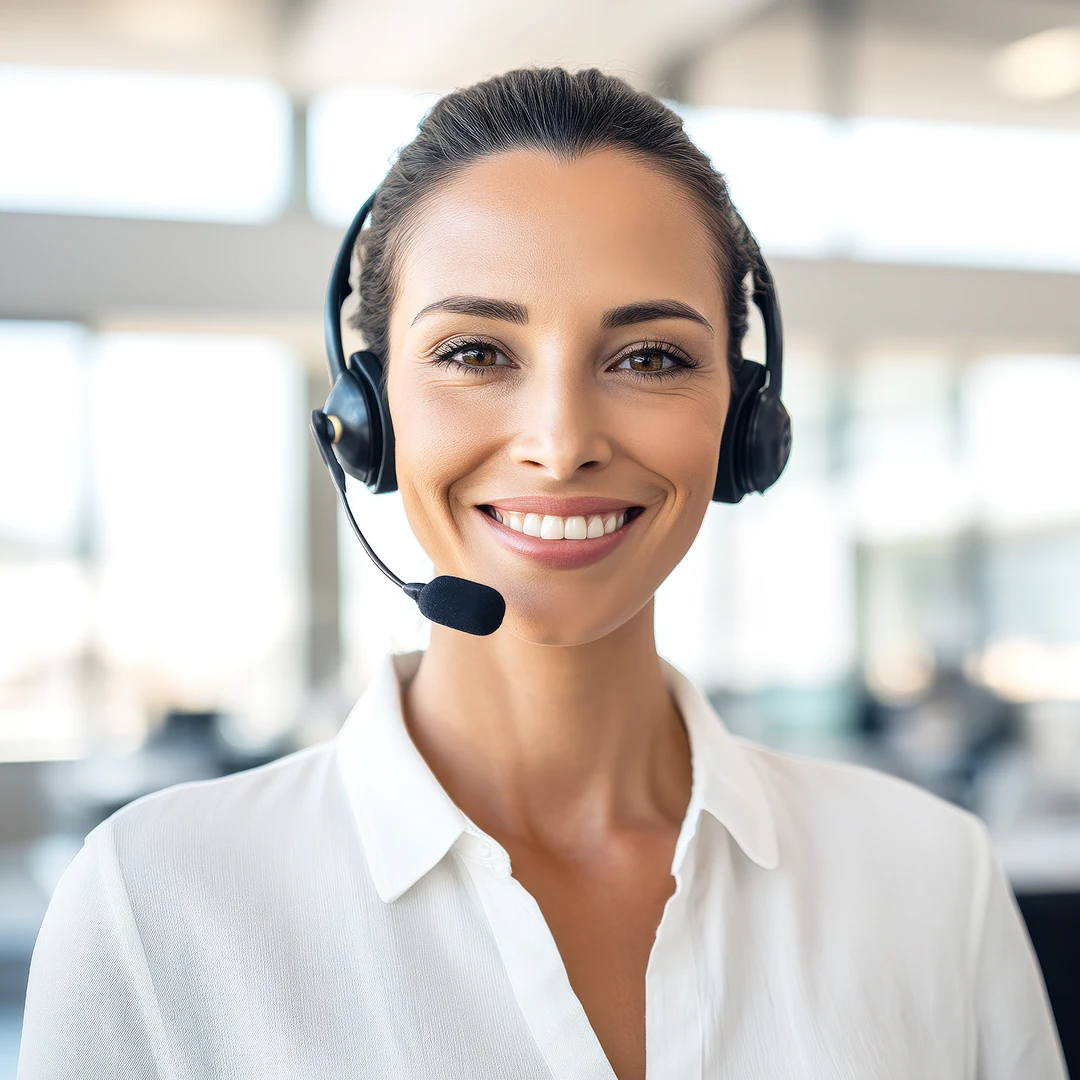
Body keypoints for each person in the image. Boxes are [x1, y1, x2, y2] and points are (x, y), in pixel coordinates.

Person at [17, 66, 1066, 1080]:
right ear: (365, 417)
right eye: (476, 352)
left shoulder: (932, 880)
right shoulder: (156, 905)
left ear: (747, 424)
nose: (560, 444)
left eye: (649, 357)